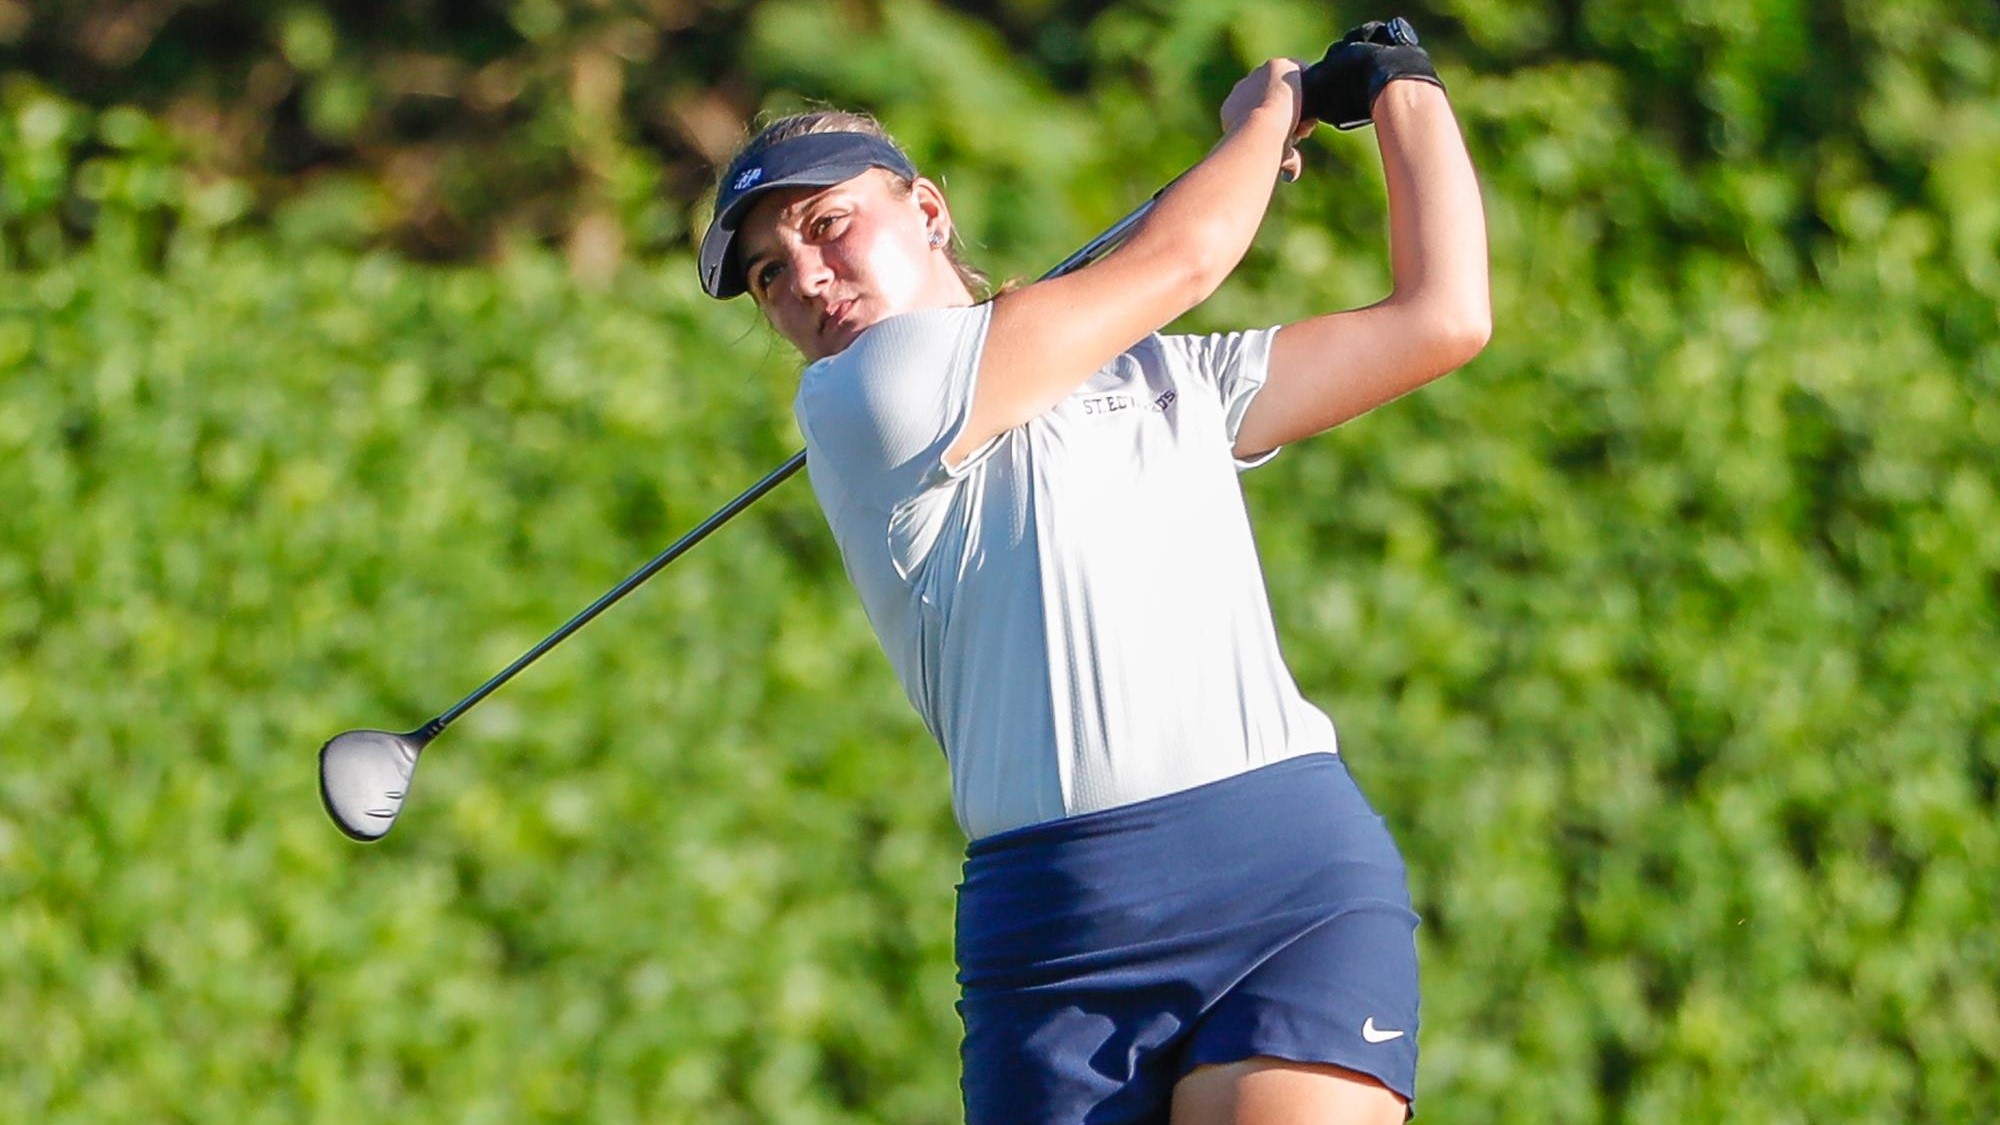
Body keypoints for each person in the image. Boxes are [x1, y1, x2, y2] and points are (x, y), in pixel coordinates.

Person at [697, 22, 1487, 1125]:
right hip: (1060, 935)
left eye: (827, 226)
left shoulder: (1165, 377)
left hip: (1287, 881)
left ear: (927, 209)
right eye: (770, 275)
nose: (807, 280)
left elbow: (1441, 318)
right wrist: (1265, 116)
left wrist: (1401, 82)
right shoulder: (860, 399)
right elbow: (1185, 259)